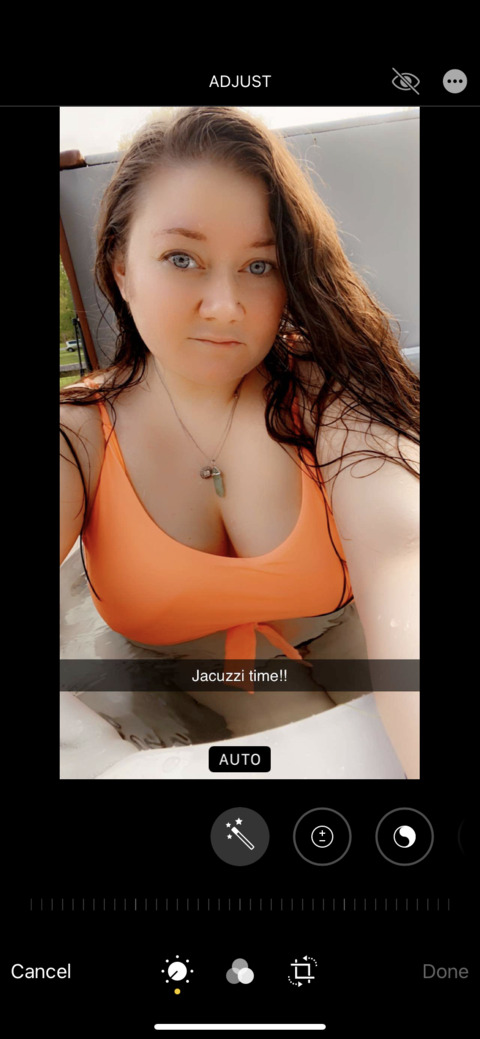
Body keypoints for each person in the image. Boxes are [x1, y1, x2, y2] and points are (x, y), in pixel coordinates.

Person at [60, 106, 419, 777]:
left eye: (260, 266)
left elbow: (405, 559)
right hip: (177, 666)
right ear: (120, 266)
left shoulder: (334, 394)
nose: (225, 306)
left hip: (346, 630)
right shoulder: (76, 433)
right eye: (182, 258)